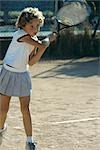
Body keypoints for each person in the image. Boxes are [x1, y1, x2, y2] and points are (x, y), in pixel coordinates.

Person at [0, 7, 57, 150]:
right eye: (32, 26)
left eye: (38, 26)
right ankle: (0, 131)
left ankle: (29, 142)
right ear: (23, 25)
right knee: (3, 110)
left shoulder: (35, 40)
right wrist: (47, 41)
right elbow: (40, 44)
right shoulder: (20, 34)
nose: (35, 29)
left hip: (22, 75)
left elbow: (31, 62)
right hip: (7, 73)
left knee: (25, 109)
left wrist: (44, 46)